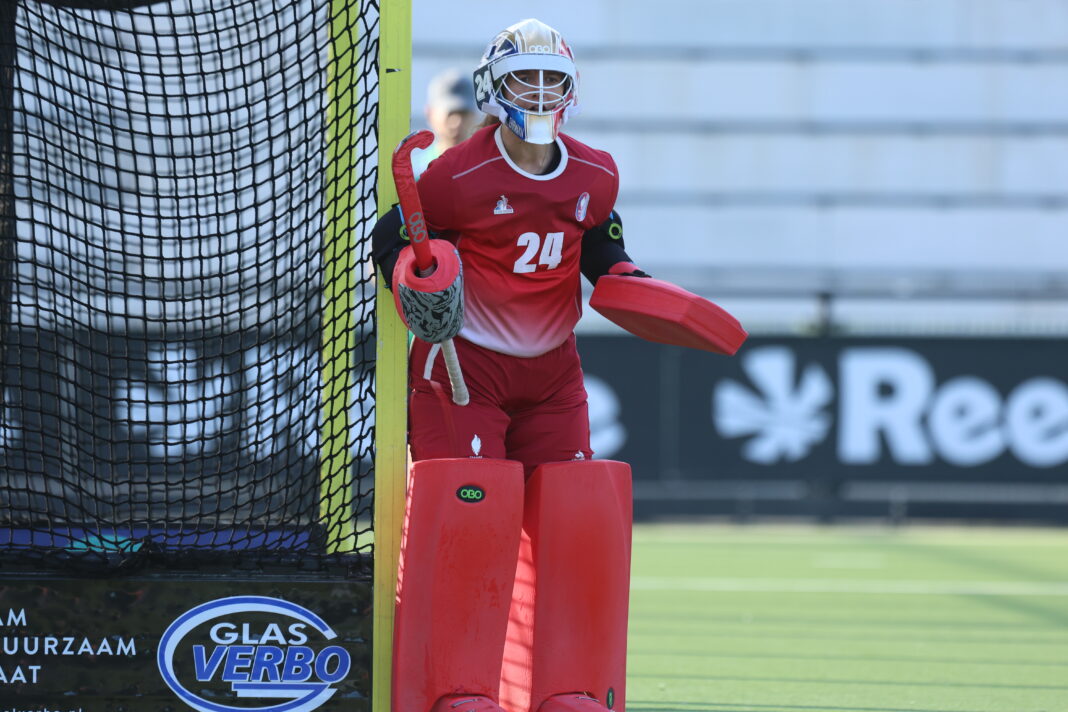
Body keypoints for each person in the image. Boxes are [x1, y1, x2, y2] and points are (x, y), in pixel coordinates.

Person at [372, 18, 648, 712]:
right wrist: (411, 278)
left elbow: (601, 246)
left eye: (553, 80)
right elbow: (394, 235)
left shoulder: (595, 172)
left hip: (554, 377)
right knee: (466, 522)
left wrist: (631, 277)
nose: (540, 91)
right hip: (463, 373)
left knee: (572, 526)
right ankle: (454, 688)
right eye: (526, 77)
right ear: (497, 86)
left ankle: (565, 688)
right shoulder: (457, 176)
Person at [412, 67, 480, 177]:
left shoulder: (486, 171)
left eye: (463, 113)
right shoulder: (413, 174)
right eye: (450, 113)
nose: (456, 122)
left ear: (474, 115)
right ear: (430, 114)